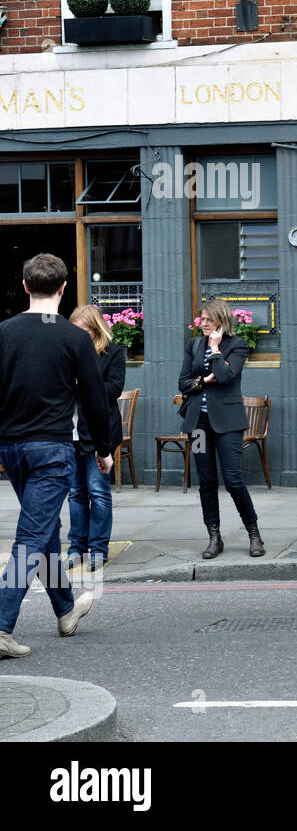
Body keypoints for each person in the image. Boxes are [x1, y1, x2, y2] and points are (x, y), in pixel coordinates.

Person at [0, 254, 109, 659]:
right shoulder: (75, 338)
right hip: (52, 450)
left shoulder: (4, 332)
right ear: (64, 289)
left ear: (26, 286)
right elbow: (96, 400)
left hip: (11, 449)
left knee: (44, 532)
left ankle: (65, 611)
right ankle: (1, 625)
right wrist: (104, 449)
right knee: (31, 536)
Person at [178, 297, 266, 559]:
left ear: (221, 320)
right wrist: (205, 380)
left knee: (233, 479)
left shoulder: (237, 345)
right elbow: (183, 383)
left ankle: (253, 533)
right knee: (205, 480)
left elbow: (227, 376)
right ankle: (214, 538)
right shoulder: (193, 345)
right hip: (198, 425)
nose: (202, 324)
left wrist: (216, 349)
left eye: (208, 320)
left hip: (228, 424)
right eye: (201, 319)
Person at [66, 305, 126, 572]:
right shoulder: (66, 353)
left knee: (98, 492)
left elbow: (114, 388)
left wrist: (84, 384)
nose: (77, 335)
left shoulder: (113, 352)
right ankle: (76, 547)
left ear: (95, 328)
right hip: (69, 431)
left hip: (99, 432)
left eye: (82, 330)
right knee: (76, 493)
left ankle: (98, 549)